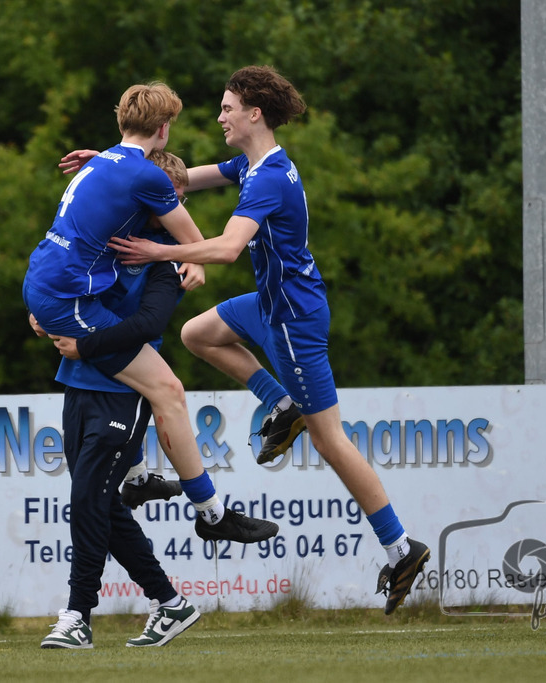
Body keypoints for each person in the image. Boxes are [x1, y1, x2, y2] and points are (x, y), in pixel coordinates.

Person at [104, 66, 431, 615]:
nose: (220, 116)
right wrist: (107, 162)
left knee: (331, 441)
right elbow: (177, 181)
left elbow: (228, 249)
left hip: (294, 322)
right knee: (196, 333)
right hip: (269, 307)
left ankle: (401, 548)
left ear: (255, 113)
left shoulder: (269, 178)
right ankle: (279, 404)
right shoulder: (251, 165)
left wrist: (161, 253)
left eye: (228, 107)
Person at [22, 81, 278, 547]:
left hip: (46, 280)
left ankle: (139, 477)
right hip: (67, 299)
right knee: (168, 390)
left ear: (122, 122)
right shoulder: (148, 177)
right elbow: (194, 238)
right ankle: (212, 514)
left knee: (142, 377)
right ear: (163, 129)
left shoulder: (104, 160)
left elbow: (120, 174)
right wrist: (191, 261)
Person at [35, 151, 201, 649]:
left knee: (88, 501)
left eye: (169, 199)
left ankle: (77, 615)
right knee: (102, 507)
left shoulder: (168, 259)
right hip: (78, 380)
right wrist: (45, 313)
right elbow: (71, 287)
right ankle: (170, 603)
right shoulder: (110, 236)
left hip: (123, 392)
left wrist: (85, 342)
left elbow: (148, 327)